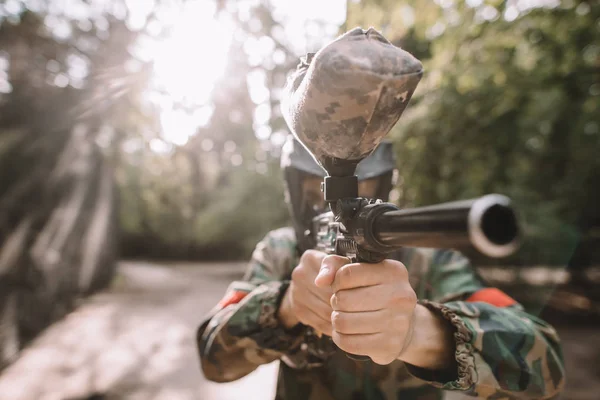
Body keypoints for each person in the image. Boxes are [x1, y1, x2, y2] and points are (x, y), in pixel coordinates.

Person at [196, 135, 565, 400]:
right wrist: (287, 305)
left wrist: (424, 333)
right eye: (317, 193)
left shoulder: (429, 260)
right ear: (295, 191)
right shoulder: (280, 252)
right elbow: (214, 360)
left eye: (363, 192)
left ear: (385, 190)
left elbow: (545, 364)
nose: (340, 209)